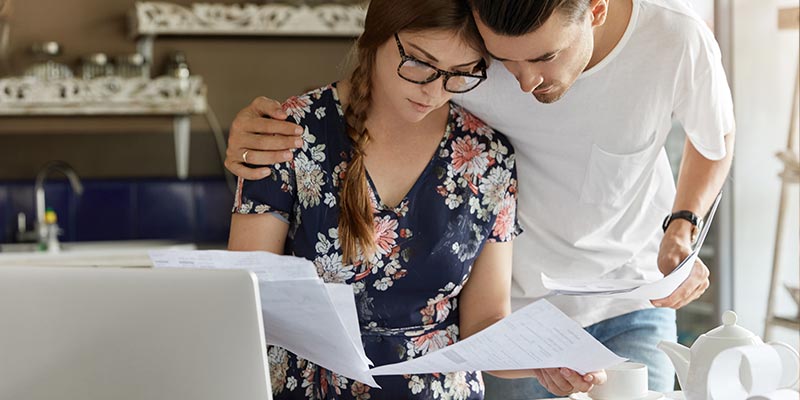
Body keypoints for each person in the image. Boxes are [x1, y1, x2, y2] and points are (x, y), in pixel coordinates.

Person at [225, 0, 735, 398]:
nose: (525, 81)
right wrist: (252, 133)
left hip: (624, 297)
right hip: (506, 315)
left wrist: (683, 224)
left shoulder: (485, 154)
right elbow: (241, 301)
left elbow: (716, 141)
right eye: (502, 64)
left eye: (459, 73)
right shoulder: (298, 132)